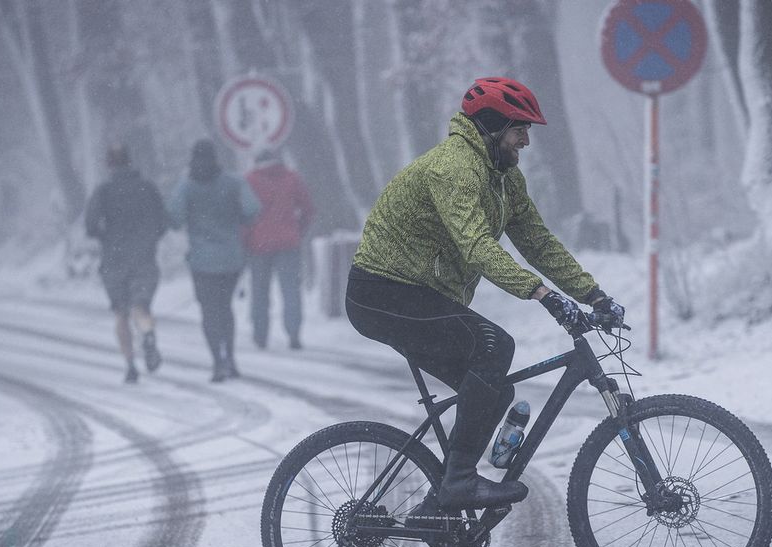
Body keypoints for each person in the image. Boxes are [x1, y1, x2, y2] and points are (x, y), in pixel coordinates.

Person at [346, 77, 625, 516]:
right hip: (382, 291)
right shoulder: (453, 168)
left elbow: (537, 241)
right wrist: (541, 294)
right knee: (494, 345)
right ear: (493, 126)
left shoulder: (503, 177)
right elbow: (477, 245)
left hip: (421, 293)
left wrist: (594, 295)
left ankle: (438, 508)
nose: (527, 141)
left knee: (492, 393)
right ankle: (458, 482)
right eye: (520, 130)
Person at [168, 139, 261, 382]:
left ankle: (217, 362)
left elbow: (174, 218)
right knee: (225, 308)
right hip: (231, 257)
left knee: (209, 312)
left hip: (201, 261)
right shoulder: (233, 182)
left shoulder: (187, 187)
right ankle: (230, 357)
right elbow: (253, 209)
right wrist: (236, 219)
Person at [85, 144, 166, 384]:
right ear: (130, 161)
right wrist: (149, 239)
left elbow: (90, 226)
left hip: (114, 260)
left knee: (120, 313)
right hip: (144, 257)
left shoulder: (103, 192)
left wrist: (106, 237)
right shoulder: (147, 188)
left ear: (109, 164)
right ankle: (147, 331)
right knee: (141, 306)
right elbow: (163, 221)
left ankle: (130, 365)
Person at [244, 150, 315, 350]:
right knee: (291, 290)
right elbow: (308, 208)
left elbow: (244, 214)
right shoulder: (291, 178)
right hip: (288, 243)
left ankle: (260, 335)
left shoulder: (249, 181)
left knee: (259, 291)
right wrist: (298, 230)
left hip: (258, 245)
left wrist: (246, 239)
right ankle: (293, 333)